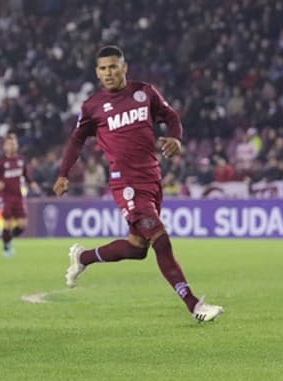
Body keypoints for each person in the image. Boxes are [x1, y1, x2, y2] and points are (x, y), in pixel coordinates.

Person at [53, 46, 223, 322]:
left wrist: (176, 138)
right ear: (97, 73)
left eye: (113, 67)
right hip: (126, 183)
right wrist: (63, 173)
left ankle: (83, 258)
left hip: (152, 177)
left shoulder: (144, 92)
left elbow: (170, 116)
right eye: (102, 68)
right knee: (161, 239)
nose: (108, 73)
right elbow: (76, 140)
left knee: (137, 248)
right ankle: (194, 306)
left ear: (124, 67)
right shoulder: (93, 106)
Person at [0, 132, 40, 256]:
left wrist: (32, 183)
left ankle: (6, 236)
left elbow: (26, 175)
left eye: (14, 143)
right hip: (5, 197)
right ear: (4, 146)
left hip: (18, 196)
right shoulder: (1, 162)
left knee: (23, 225)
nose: (12, 146)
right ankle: (6, 248)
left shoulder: (21, 160)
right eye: (9, 144)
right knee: (7, 223)